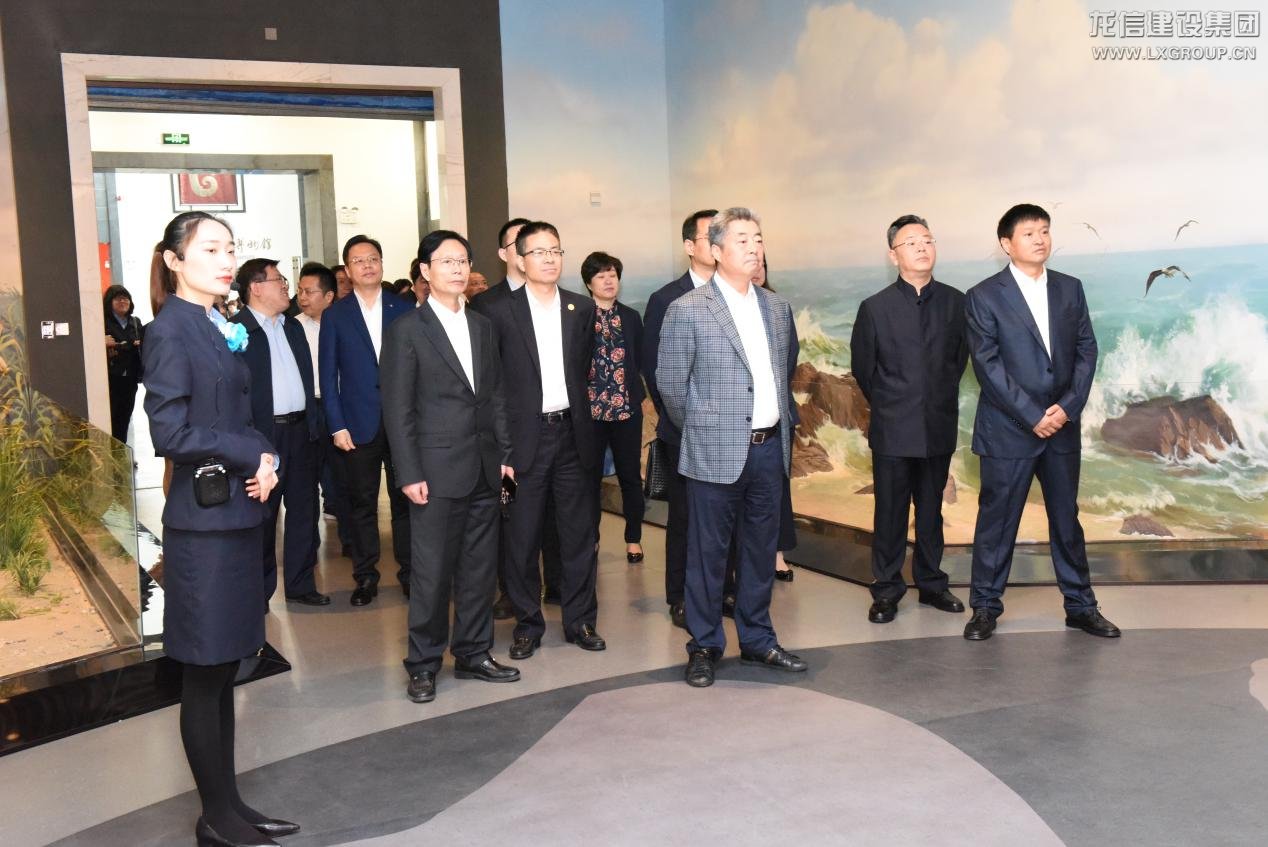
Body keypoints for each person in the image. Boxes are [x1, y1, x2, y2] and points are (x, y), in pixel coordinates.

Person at [143, 211, 296, 846]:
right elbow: (170, 433)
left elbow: (242, 417)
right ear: (174, 260)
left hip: (238, 517)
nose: (225, 259)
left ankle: (230, 806)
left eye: (230, 248)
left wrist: (269, 457)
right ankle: (215, 819)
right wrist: (246, 453)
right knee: (205, 674)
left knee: (228, 665)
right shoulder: (169, 330)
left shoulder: (217, 325)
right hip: (202, 530)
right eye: (209, 249)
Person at [658, 207, 806, 688]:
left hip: (769, 450)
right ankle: (704, 645)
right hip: (714, 451)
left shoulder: (777, 309)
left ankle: (758, 639)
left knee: (760, 551)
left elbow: (783, 374)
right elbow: (670, 385)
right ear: (716, 250)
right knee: (708, 555)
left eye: (758, 238)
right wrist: (705, 430)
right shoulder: (688, 309)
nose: (753, 247)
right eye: (742, 239)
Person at [962, 203, 1119, 641]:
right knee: (997, 523)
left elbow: (1087, 350)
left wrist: (1067, 407)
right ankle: (985, 608)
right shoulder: (983, 295)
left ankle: (1081, 607)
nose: (1040, 239)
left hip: (1062, 427)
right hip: (1008, 429)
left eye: (1045, 231)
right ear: (1006, 244)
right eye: (1029, 233)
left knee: (1067, 521)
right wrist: (1032, 415)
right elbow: (987, 365)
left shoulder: (1070, 288)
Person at [382, 230, 520, 703]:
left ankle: (473, 652)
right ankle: (422, 664)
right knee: (432, 573)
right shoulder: (407, 329)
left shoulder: (482, 326)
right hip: (434, 472)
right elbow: (398, 408)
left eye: (463, 261)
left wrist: (505, 456)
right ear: (425, 270)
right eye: (446, 262)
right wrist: (408, 473)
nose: (458, 269)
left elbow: (495, 396)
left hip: (484, 467)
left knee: (479, 570)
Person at [477, 221, 603, 658]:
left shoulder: (580, 308)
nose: (549, 259)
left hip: (572, 438)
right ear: (519, 259)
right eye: (539, 252)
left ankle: (580, 620)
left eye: (556, 251)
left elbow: (583, 371)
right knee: (520, 537)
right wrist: (501, 450)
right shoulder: (497, 311)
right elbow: (492, 387)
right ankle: (528, 625)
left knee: (578, 535)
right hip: (518, 446)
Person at [849, 214, 968, 624]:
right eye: (911, 242)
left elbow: (957, 363)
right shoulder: (874, 308)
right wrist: (895, 403)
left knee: (931, 511)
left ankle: (932, 584)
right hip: (893, 429)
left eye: (927, 240)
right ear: (893, 255)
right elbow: (864, 370)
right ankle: (886, 590)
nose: (922, 247)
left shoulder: (956, 303)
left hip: (937, 426)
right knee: (890, 513)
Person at [470, 217, 561, 619]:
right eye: (526, 246)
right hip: (511, 439)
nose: (541, 256)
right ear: (511, 255)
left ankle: (558, 584)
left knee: (559, 517)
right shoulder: (487, 306)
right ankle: (514, 593)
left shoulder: (564, 304)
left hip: (558, 432)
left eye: (549, 249)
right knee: (514, 520)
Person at [318, 235, 412, 606]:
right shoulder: (336, 315)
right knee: (361, 504)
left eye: (373, 258)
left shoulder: (404, 307)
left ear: (382, 263)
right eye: (358, 261)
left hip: (403, 422)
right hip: (357, 424)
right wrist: (337, 425)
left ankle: (410, 574)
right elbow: (328, 376)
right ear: (347, 270)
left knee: (406, 501)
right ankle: (365, 576)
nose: (367, 265)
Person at [232, 259, 327, 607]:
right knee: (263, 515)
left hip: (301, 432)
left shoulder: (293, 327)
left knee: (304, 511)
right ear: (256, 288)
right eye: (279, 280)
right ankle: (259, 592)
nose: (286, 286)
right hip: (263, 437)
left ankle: (301, 584)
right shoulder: (236, 332)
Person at [642, 208, 718, 629]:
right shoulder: (666, 299)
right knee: (686, 517)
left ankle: (722, 590)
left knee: (725, 518)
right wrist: (686, 419)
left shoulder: (738, 293)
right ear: (690, 246)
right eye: (710, 236)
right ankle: (681, 596)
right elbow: (657, 371)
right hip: (684, 429)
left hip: (731, 432)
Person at [580, 251, 645, 563]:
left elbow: (640, 360)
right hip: (591, 413)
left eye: (613, 275)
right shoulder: (579, 316)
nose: (608, 281)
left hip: (626, 410)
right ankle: (591, 538)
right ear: (589, 284)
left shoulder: (631, 317)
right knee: (589, 479)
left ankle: (634, 539)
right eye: (601, 276)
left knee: (630, 476)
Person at [295, 262, 353, 557]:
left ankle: (351, 541)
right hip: (307, 409)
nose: (302, 297)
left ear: (329, 296)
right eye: (300, 291)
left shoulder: (345, 323)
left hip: (338, 408)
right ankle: (309, 547)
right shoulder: (292, 327)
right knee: (306, 479)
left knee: (343, 478)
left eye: (309, 291)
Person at [103, 284, 144, 444]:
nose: (123, 301)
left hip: (131, 378)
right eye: (118, 298)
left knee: (125, 418)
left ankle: (121, 452)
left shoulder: (135, 322)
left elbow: (140, 343)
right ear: (109, 302)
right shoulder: (103, 322)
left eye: (126, 298)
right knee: (111, 419)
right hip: (111, 378)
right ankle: (112, 452)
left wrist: (125, 345)